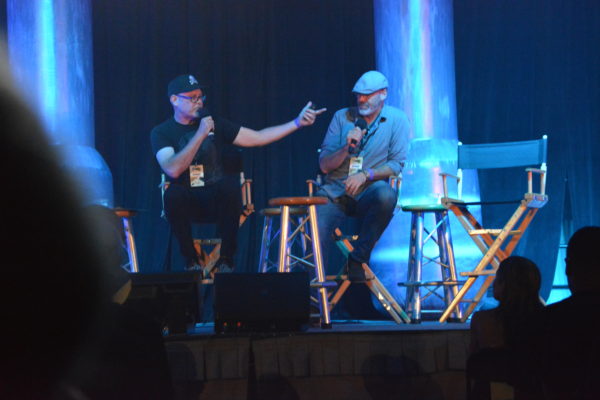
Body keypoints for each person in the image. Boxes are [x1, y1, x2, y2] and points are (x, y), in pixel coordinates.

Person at [151, 74, 326, 273]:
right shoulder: (162, 132)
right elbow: (172, 168)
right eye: (192, 98)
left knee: (230, 185)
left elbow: (257, 137)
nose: (198, 102)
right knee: (172, 194)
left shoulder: (214, 122)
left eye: (201, 97)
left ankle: (226, 259)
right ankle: (191, 259)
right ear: (174, 100)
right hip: (188, 200)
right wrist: (200, 135)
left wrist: (296, 123)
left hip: (216, 199)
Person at [315, 70, 409, 281]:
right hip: (335, 192)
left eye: (368, 94)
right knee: (316, 228)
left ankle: (357, 259)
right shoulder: (342, 117)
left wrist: (366, 175)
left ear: (383, 94)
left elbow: (396, 164)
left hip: (368, 191)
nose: (361, 99)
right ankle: (313, 297)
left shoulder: (397, 119)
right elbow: (324, 166)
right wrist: (345, 148)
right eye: (358, 94)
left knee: (387, 195)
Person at [467, 256, 544, 400]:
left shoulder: (482, 321)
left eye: (498, 278)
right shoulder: (547, 318)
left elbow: (474, 363)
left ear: (505, 284)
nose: (494, 283)